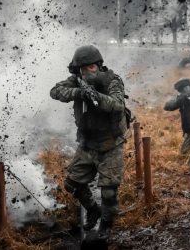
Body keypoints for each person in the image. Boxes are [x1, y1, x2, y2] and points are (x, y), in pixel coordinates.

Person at [50, 45, 130, 240]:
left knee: (109, 192)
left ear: (99, 66)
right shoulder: (76, 81)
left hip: (111, 144)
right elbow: (55, 91)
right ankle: (93, 210)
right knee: (72, 185)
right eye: (84, 69)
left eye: (91, 68)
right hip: (88, 144)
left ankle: (106, 223)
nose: (88, 72)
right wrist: (79, 93)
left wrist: (96, 96)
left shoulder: (112, 80)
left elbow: (118, 105)